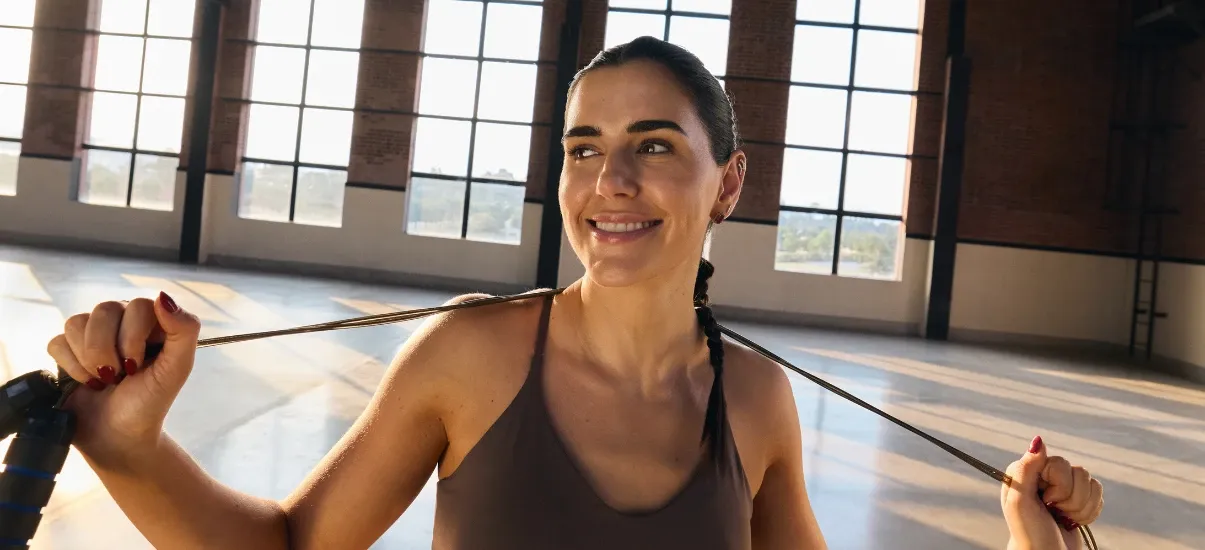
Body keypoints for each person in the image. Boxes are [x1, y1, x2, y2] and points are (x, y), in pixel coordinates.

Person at [46, 37, 1103, 550]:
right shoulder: (475, 355)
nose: (611, 182)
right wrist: (128, 443)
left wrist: (1027, 539)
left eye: (653, 145)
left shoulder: (754, 405)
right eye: (583, 147)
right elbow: (285, 549)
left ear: (727, 183)